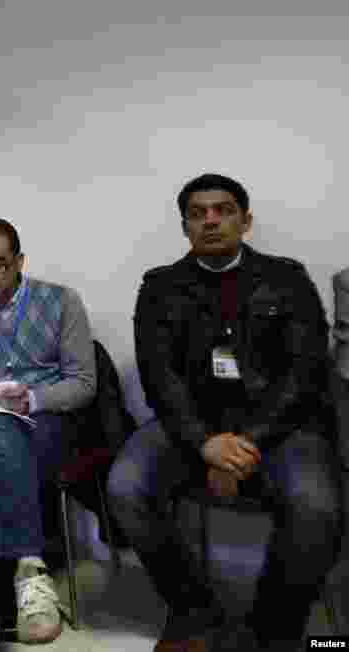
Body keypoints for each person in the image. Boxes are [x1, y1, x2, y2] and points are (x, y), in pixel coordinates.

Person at [108, 174, 342, 652]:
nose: (211, 220)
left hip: (282, 428)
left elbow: (305, 374)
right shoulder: (160, 288)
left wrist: (247, 441)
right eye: (198, 213)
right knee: (126, 485)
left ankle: (273, 626)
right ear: (185, 226)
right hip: (189, 426)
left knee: (318, 507)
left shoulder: (288, 278)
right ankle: (193, 608)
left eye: (224, 209)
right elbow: (160, 380)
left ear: (245, 220)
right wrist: (205, 443)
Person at [0, 218, 96, 650]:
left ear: (20, 262)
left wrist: (35, 399)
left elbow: (84, 384)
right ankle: (30, 570)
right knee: (0, 434)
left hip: (48, 421)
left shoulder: (61, 302)